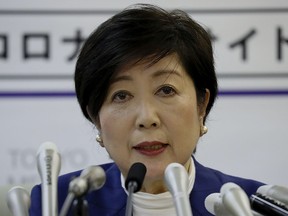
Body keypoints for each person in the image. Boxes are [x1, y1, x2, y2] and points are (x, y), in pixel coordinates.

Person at [29, 4, 264, 216]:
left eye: (166, 90)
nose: (147, 118)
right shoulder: (58, 204)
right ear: (96, 118)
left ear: (201, 105)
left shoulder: (251, 206)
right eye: (122, 95)